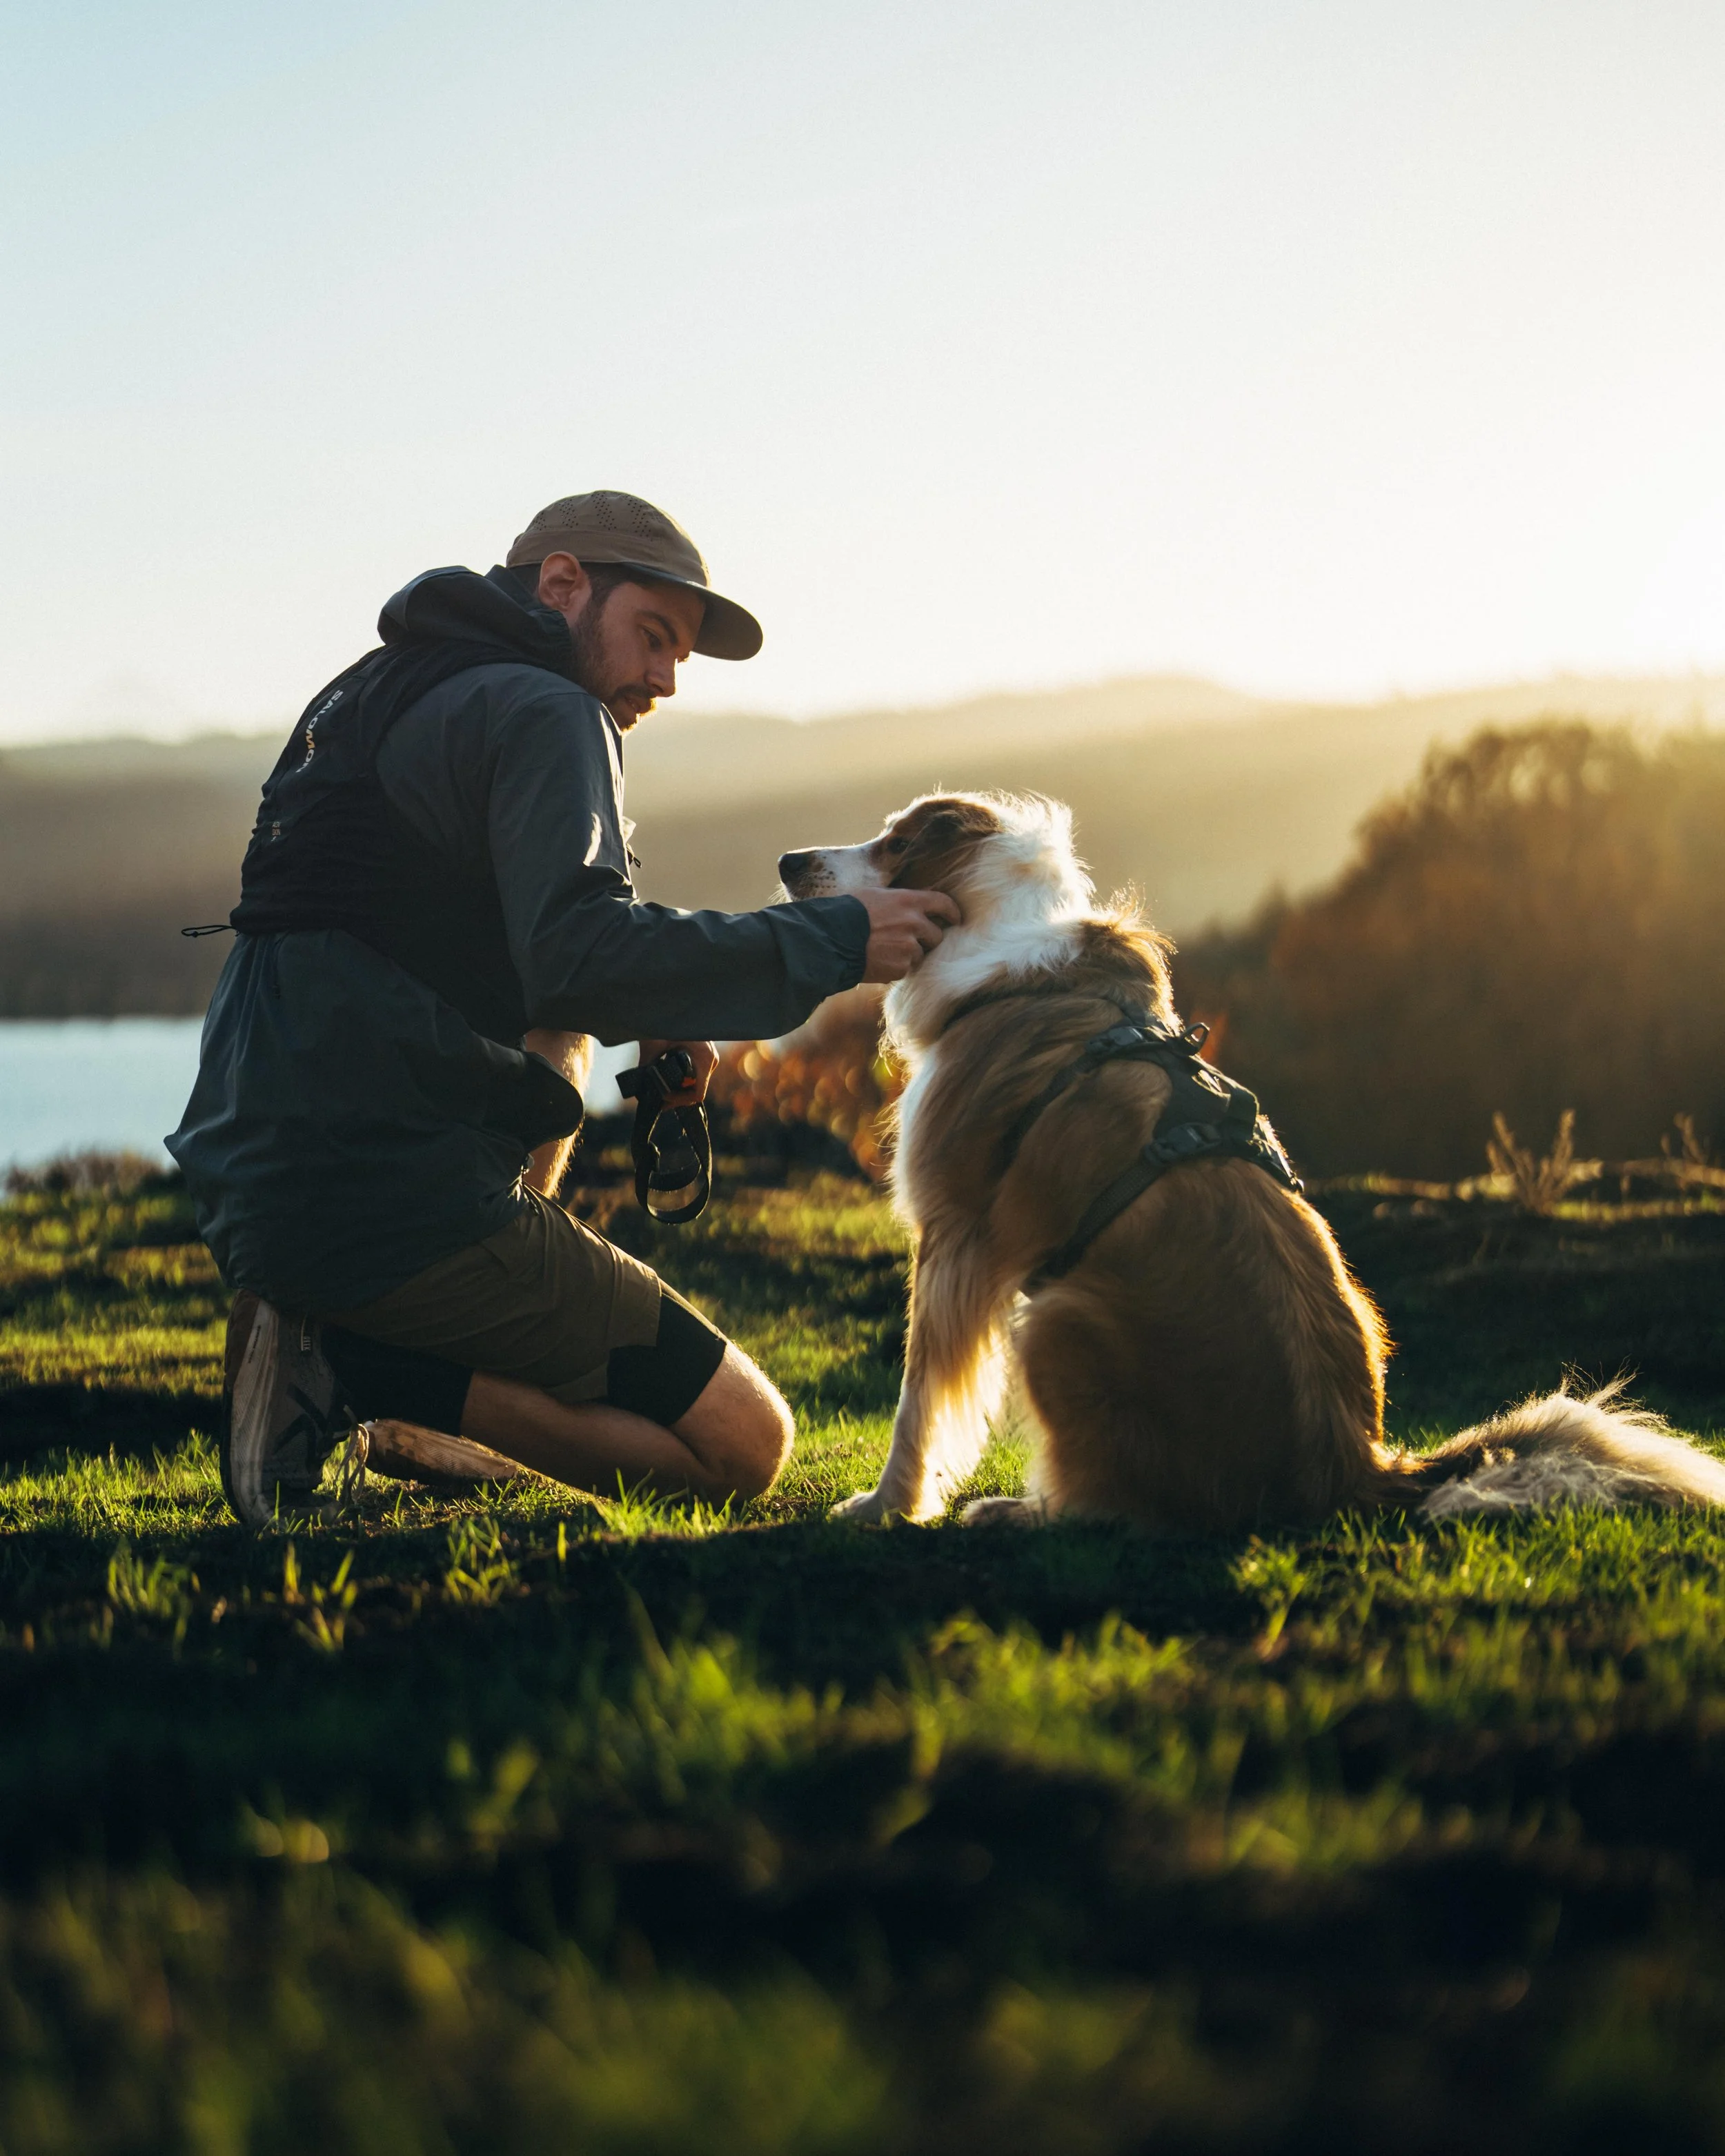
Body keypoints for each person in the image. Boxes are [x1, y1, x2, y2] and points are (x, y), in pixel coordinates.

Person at [168, 491, 957, 1527]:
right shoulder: (552, 710)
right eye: (654, 637)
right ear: (562, 586)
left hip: (256, 1178)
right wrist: (836, 937)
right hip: (381, 1200)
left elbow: (525, 952)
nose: (667, 680)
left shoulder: (373, 693)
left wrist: (662, 997)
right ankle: (358, 1367)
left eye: (680, 656)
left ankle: (369, 1344)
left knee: (568, 1021)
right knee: (743, 1446)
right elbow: (582, 952)